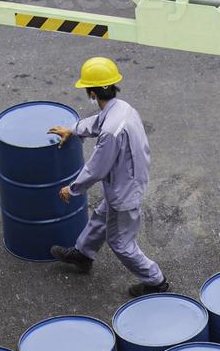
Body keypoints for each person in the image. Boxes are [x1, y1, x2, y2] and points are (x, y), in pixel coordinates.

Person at [47, 57, 170, 297]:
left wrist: (72, 189)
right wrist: (72, 129)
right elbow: (97, 122)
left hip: (124, 191)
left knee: (120, 243)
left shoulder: (111, 133)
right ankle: (83, 254)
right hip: (128, 180)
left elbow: (97, 168)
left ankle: (156, 281)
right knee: (102, 216)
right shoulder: (122, 108)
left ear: (91, 93)